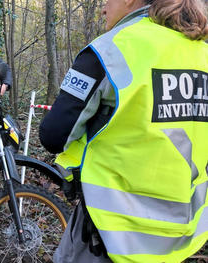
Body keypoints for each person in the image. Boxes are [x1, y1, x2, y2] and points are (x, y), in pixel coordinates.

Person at [39, 0, 208, 262]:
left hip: (110, 233)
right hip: (181, 235)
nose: (103, 8)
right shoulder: (202, 54)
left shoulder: (110, 50)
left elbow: (53, 135)